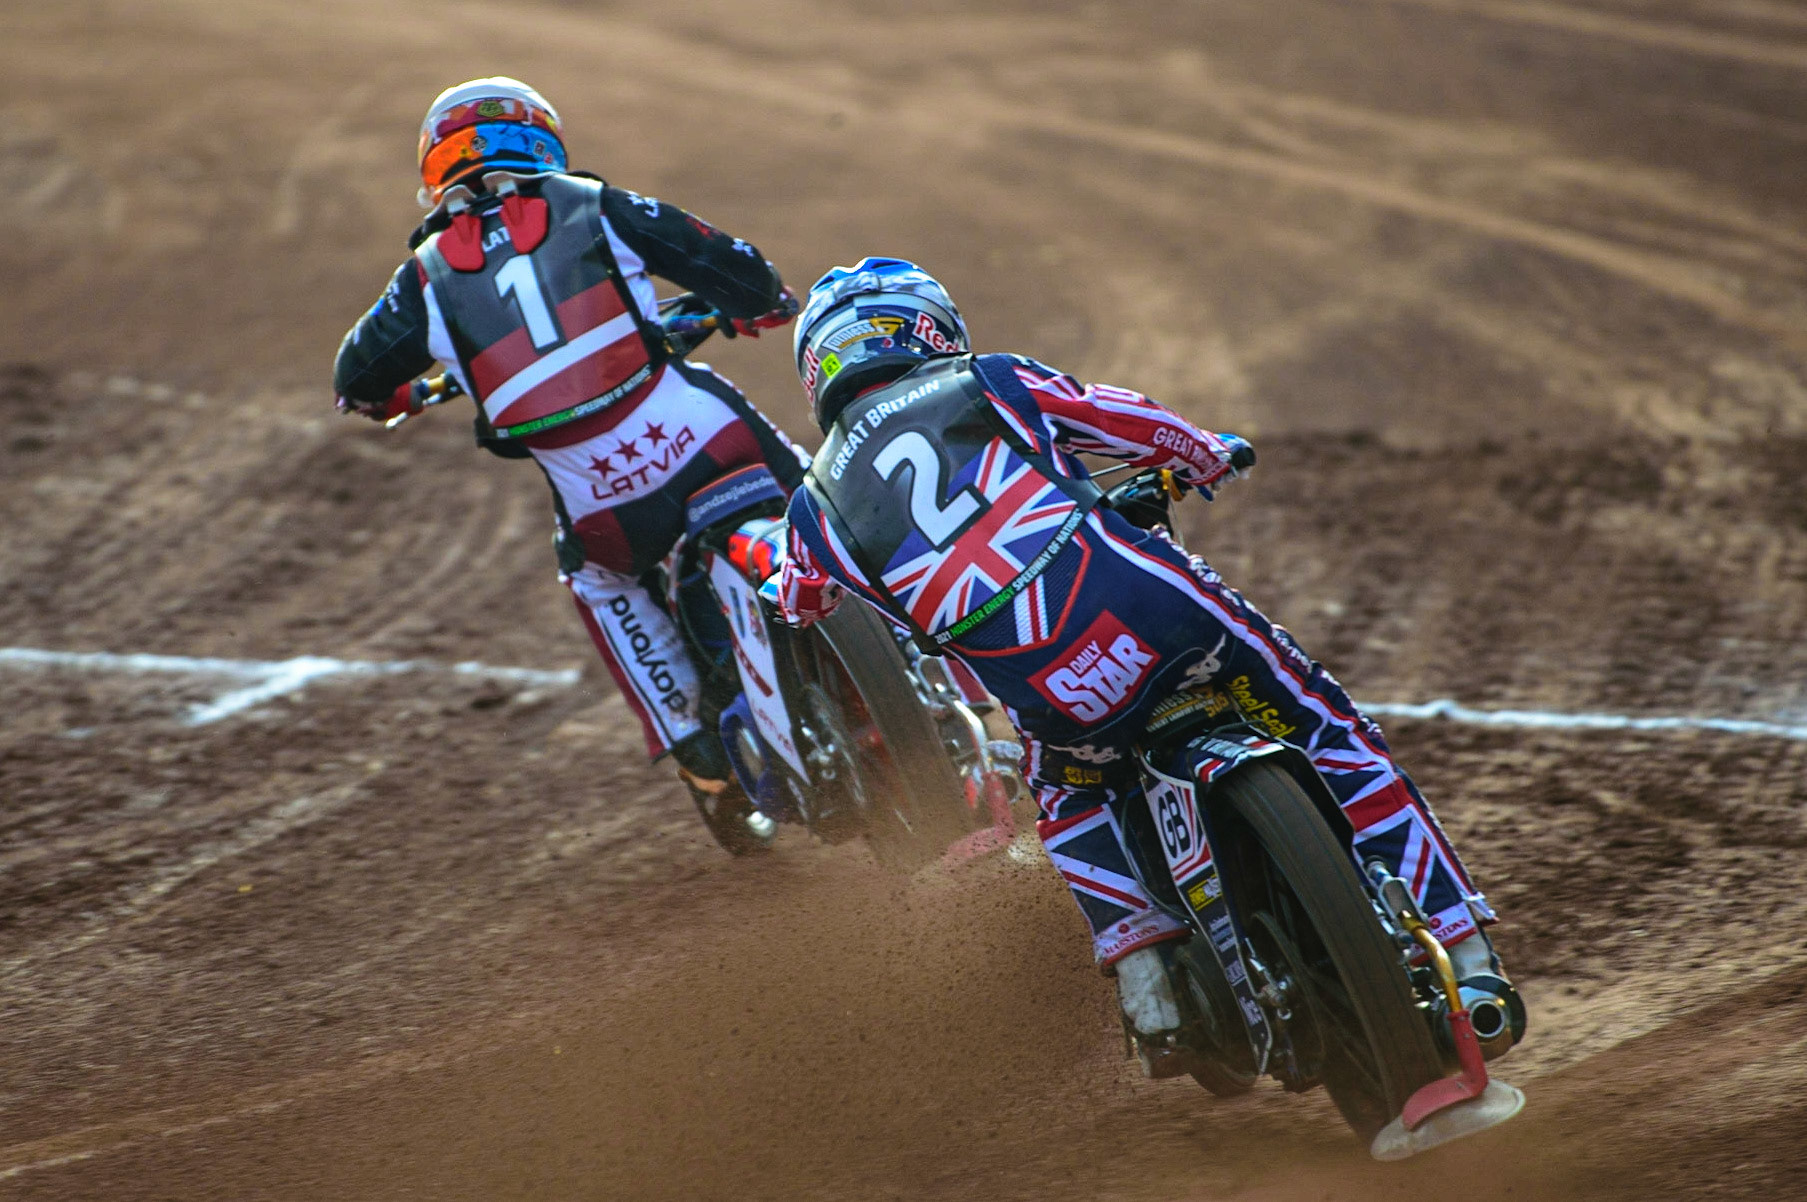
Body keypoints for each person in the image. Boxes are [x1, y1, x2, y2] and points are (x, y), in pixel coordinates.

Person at [774, 258, 1524, 1071]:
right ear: (925, 328)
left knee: (1068, 798)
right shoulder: (984, 381)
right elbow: (1119, 417)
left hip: (1052, 694)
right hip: (1155, 614)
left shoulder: (811, 508)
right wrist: (1204, 455)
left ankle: (1148, 986)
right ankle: (1465, 954)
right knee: (1325, 724)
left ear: (820, 370)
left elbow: (799, 600)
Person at [332, 77, 803, 851]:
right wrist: (762, 302)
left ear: (437, 170)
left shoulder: (423, 278)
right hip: (704, 439)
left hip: (601, 501)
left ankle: (698, 750)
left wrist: (401, 394)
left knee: (600, 580)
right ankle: (916, 623)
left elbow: (356, 379)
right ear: (542, 142)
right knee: (813, 495)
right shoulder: (593, 204)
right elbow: (731, 264)